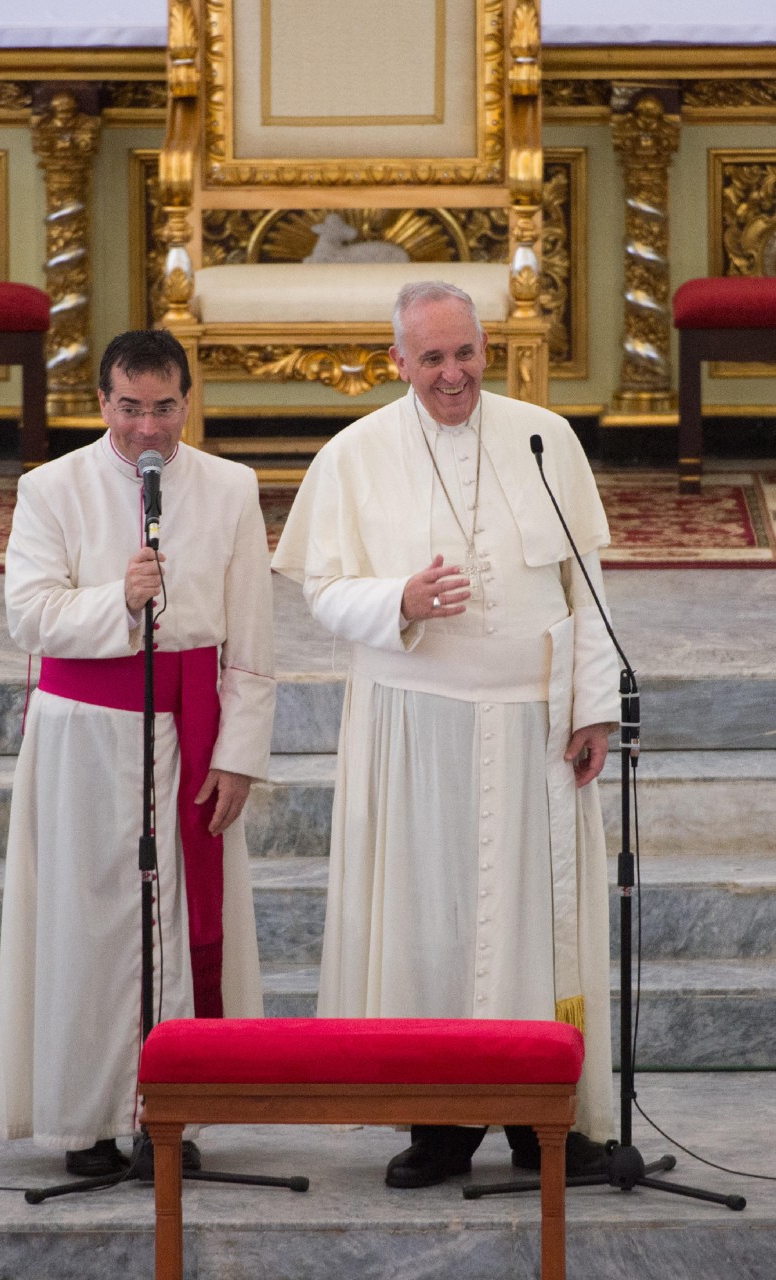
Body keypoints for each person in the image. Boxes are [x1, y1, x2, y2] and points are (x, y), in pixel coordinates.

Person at [272, 281, 620, 1188]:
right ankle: (439, 1122)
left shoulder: (545, 437)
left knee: (538, 933)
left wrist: (592, 704)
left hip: (536, 727)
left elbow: (585, 586)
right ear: (398, 362)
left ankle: (550, 1123)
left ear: (484, 346)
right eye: (431, 359)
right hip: (415, 727)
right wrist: (397, 599)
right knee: (429, 929)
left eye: (465, 353)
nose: (453, 374)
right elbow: (318, 589)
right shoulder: (356, 454)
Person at [0, 329, 275, 1177]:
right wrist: (119, 599)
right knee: (90, 924)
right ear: (103, 402)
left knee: (181, 927)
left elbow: (252, 640)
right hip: (83, 736)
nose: (147, 429)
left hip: (191, 731)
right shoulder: (51, 487)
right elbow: (28, 615)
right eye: (129, 408)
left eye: (163, 408)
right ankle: (89, 1118)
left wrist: (239, 752)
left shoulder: (230, 487)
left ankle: (172, 1113)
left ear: (187, 402)